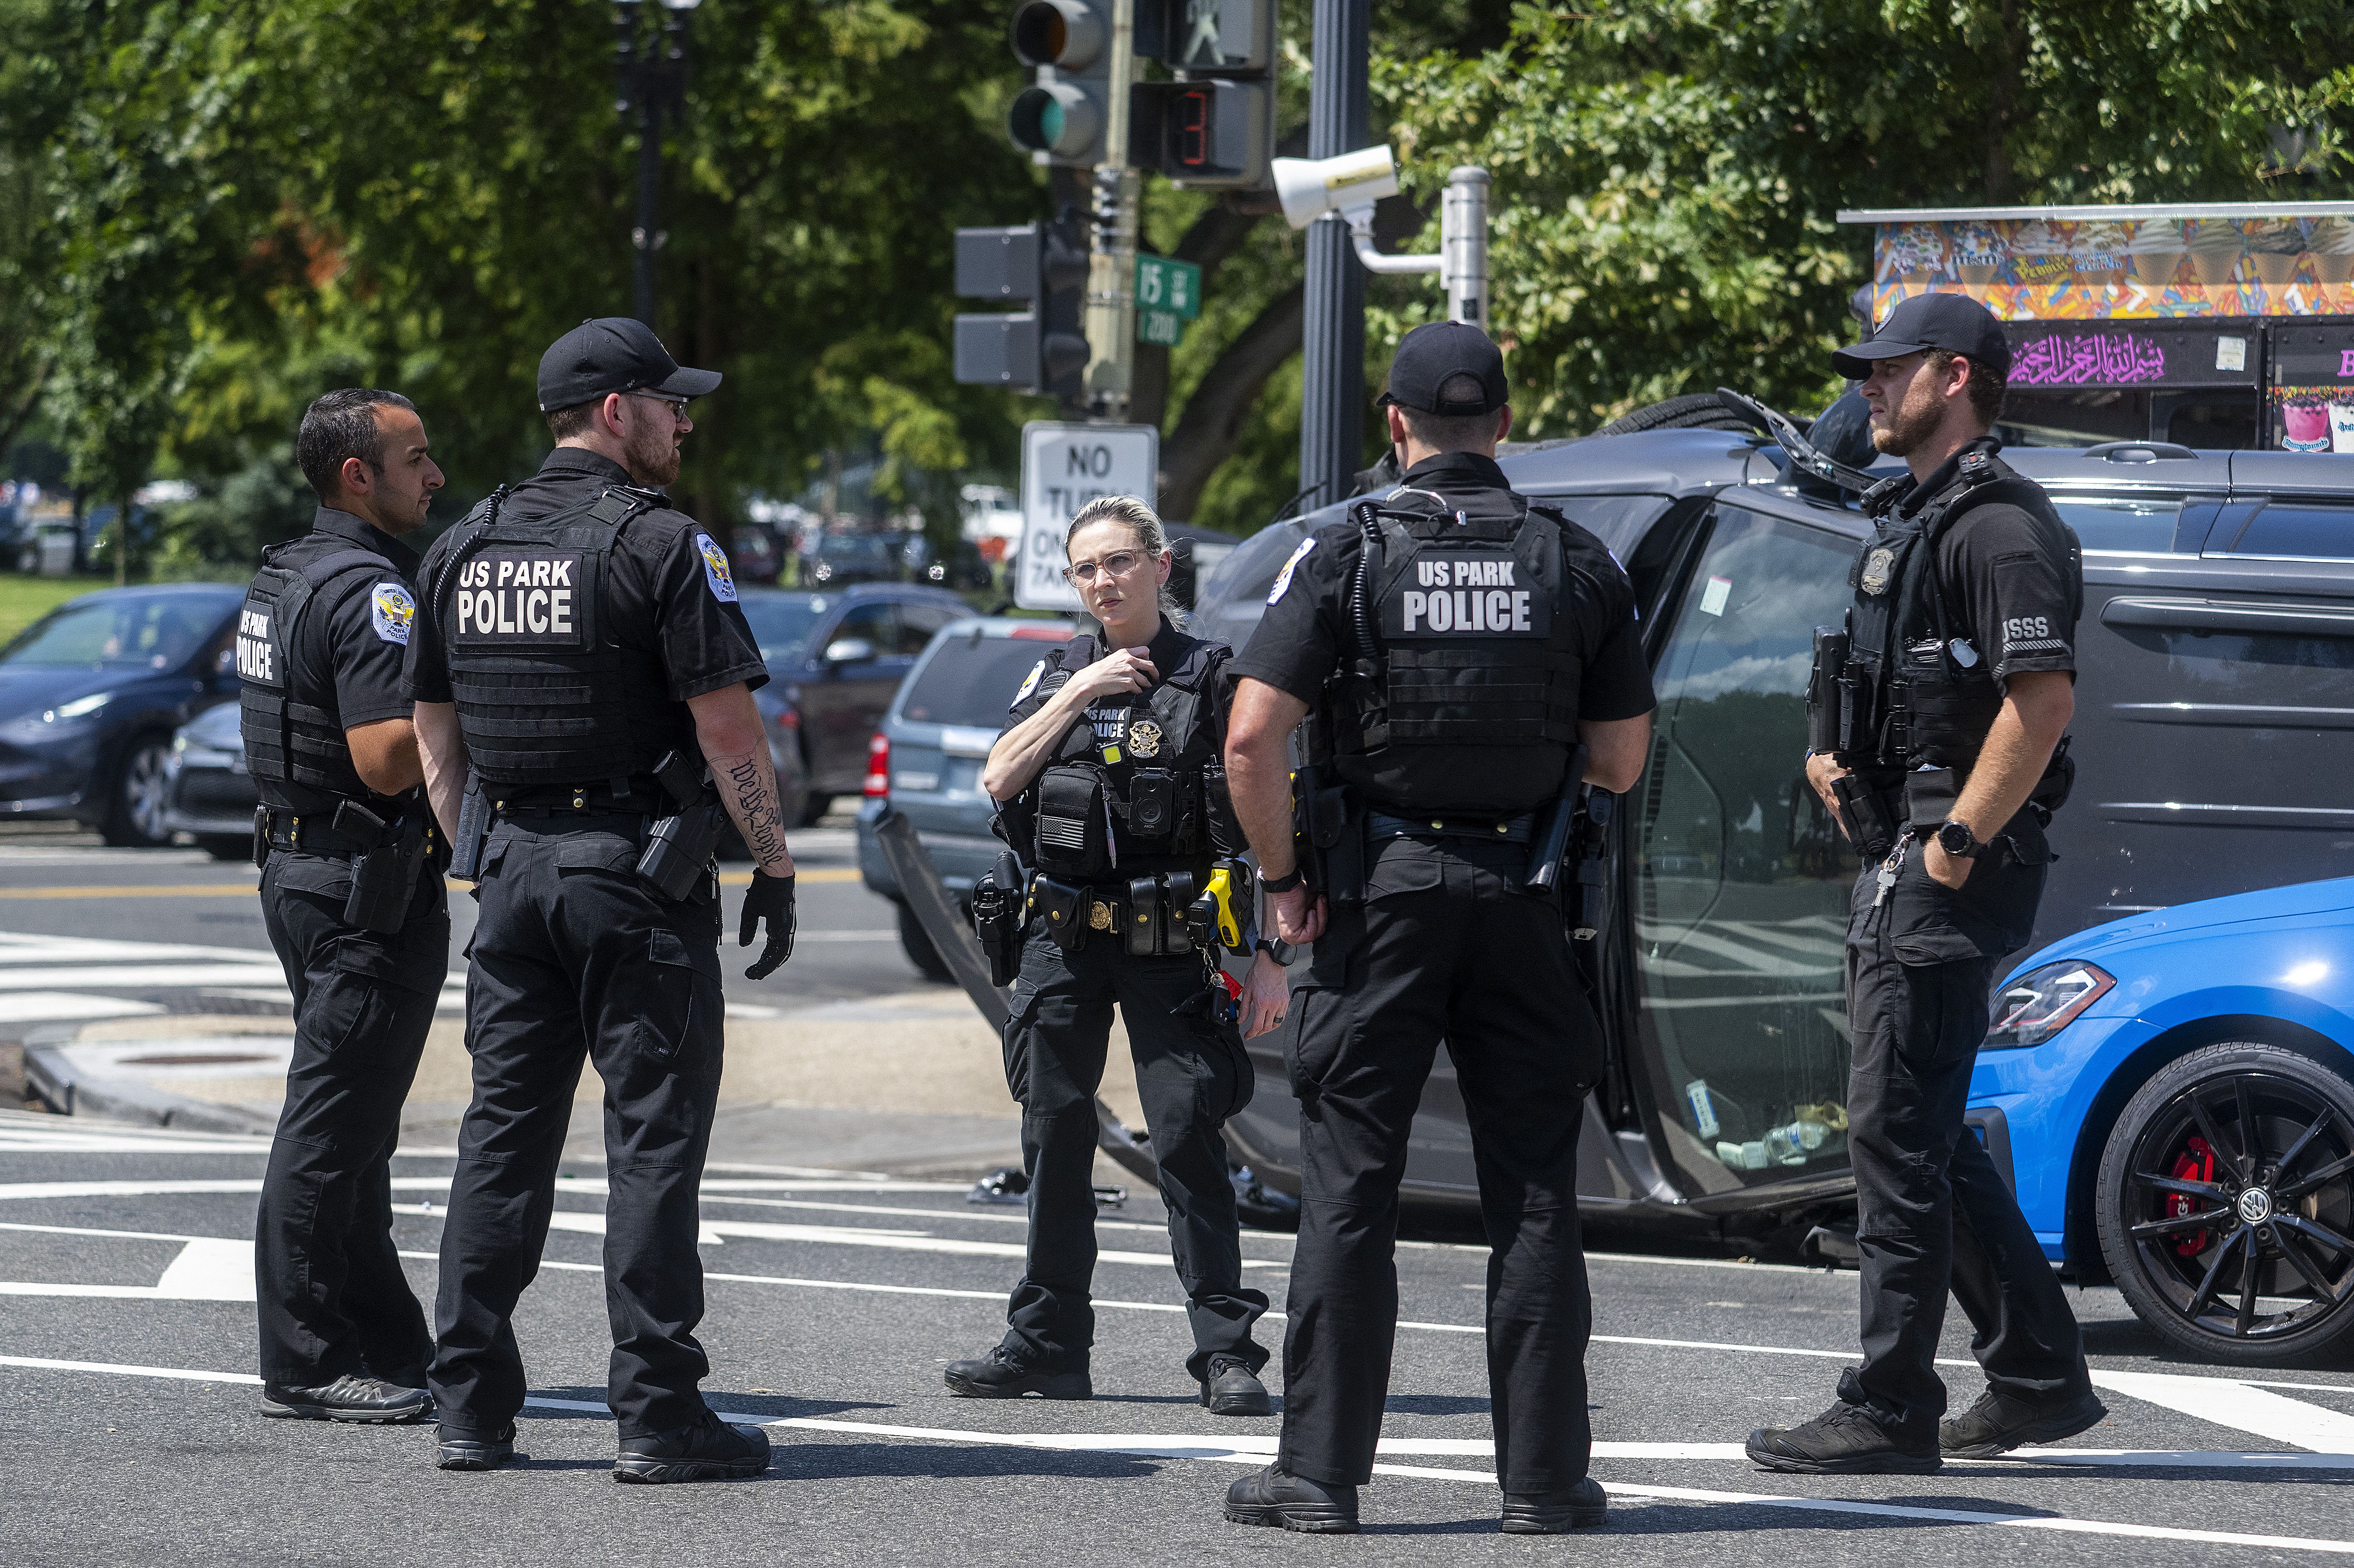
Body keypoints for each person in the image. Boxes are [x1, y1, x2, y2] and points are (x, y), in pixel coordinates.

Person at [1218, 321, 1654, 1534]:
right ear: (1506, 426)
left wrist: (1285, 876)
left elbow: (1251, 738)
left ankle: (1318, 1478)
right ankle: (1546, 1484)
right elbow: (1621, 761)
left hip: (1383, 896)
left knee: (1351, 1186)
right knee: (1531, 1193)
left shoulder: (1342, 555)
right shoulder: (1578, 563)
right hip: (1523, 896)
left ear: (1393, 425)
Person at [403, 317, 799, 1482]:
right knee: (653, 1147)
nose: (686, 420)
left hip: (514, 877)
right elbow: (729, 732)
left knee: (502, 1146)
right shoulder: (664, 545)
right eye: (671, 404)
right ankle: (658, 1416)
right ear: (615, 411)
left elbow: (436, 736)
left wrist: (487, 851)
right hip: (634, 877)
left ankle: (469, 1407)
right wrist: (774, 863)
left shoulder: (464, 546)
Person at [1750, 291, 2101, 1475]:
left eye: (1887, 370)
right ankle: (2040, 1378)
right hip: (1906, 855)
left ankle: (1891, 1407)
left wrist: (1951, 841)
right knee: (1926, 1132)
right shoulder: (1926, 516)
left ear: (1953, 375)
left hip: (1941, 872)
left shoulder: (1999, 526)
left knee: (1895, 1137)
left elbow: (2040, 704)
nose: (1866, 386)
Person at [947, 495, 1287, 1415]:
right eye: (1086, 568)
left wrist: (1268, 954)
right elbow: (997, 776)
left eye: (1119, 561)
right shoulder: (1057, 671)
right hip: (1061, 939)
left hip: (1172, 940)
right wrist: (1079, 690)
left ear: (1160, 565)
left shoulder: (1210, 677)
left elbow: (1260, 816)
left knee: (1185, 1136)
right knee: (1053, 1135)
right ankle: (1049, 1342)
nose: (1103, 579)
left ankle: (1225, 1348)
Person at [244, 388, 448, 1425]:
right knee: (330, 1126)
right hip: (365, 884)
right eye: (417, 457)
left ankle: (388, 1338)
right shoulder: (377, 591)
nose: (436, 475)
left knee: (358, 1123)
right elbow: (379, 758)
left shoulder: (285, 573)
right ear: (357, 474)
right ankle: (306, 1357)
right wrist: (471, 708)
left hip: (301, 871)